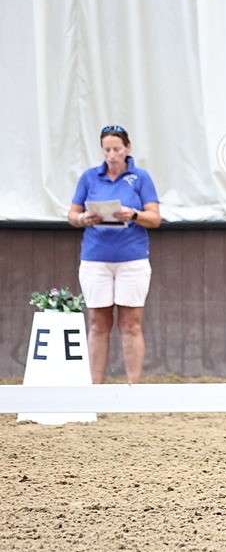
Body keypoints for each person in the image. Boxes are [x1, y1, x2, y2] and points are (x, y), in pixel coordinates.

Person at [67, 125, 161, 383]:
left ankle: (133, 385)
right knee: (98, 323)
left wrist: (134, 214)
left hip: (132, 258)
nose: (112, 155)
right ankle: (94, 387)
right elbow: (72, 215)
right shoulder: (89, 177)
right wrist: (84, 217)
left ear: (127, 149)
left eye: (117, 149)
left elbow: (155, 218)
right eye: (107, 149)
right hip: (96, 257)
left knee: (131, 324)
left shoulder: (141, 178)